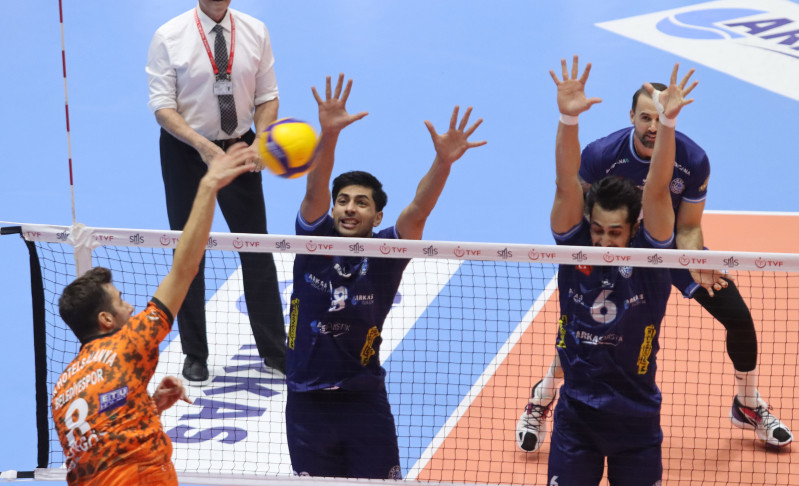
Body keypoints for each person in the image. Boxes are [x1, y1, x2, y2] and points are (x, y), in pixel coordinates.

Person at [517, 70, 792, 453]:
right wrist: (599, 260)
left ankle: (747, 403)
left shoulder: (693, 160)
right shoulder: (601, 155)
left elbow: (689, 226)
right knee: (589, 331)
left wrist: (694, 258)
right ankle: (544, 395)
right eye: (645, 117)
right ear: (631, 116)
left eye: (658, 118)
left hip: (667, 247)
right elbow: (577, 206)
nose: (651, 126)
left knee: (738, 316)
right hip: (611, 249)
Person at [284, 74, 486, 479]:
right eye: (343, 201)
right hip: (306, 401)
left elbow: (418, 211)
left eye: (361, 203)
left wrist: (443, 163)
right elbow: (314, 191)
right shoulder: (313, 241)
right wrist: (329, 134)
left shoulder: (386, 254)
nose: (349, 208)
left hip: (363, 400)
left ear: (377, 218)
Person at [51, 144, 259, 485]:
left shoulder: (63, 387)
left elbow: (102, 446)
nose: (130, 307)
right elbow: (184, 269)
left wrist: (150, 405)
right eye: (120, 302)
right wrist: (208, 185)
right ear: (106, 320)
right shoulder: (128, 343)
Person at [544, 57, 693, 485]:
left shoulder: (651, 260)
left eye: (614, 233)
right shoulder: (576, 249)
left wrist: (667, 124)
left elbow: (659, 189)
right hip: (577, 418)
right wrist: (567, 120)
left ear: (633, 230)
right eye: (597, 231)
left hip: (637, 421)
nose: (604, 242)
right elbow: (566, 184)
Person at [146, 0, 286, 384]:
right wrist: (204, 148)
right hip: (187, 152)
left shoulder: (255, 30)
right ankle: (194, 354)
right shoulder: (168, 36)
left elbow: (267, 96)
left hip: (240, 150)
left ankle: (275, 351)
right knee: (189, 253)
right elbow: (163, 108)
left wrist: (261, 141)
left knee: (256, 250)